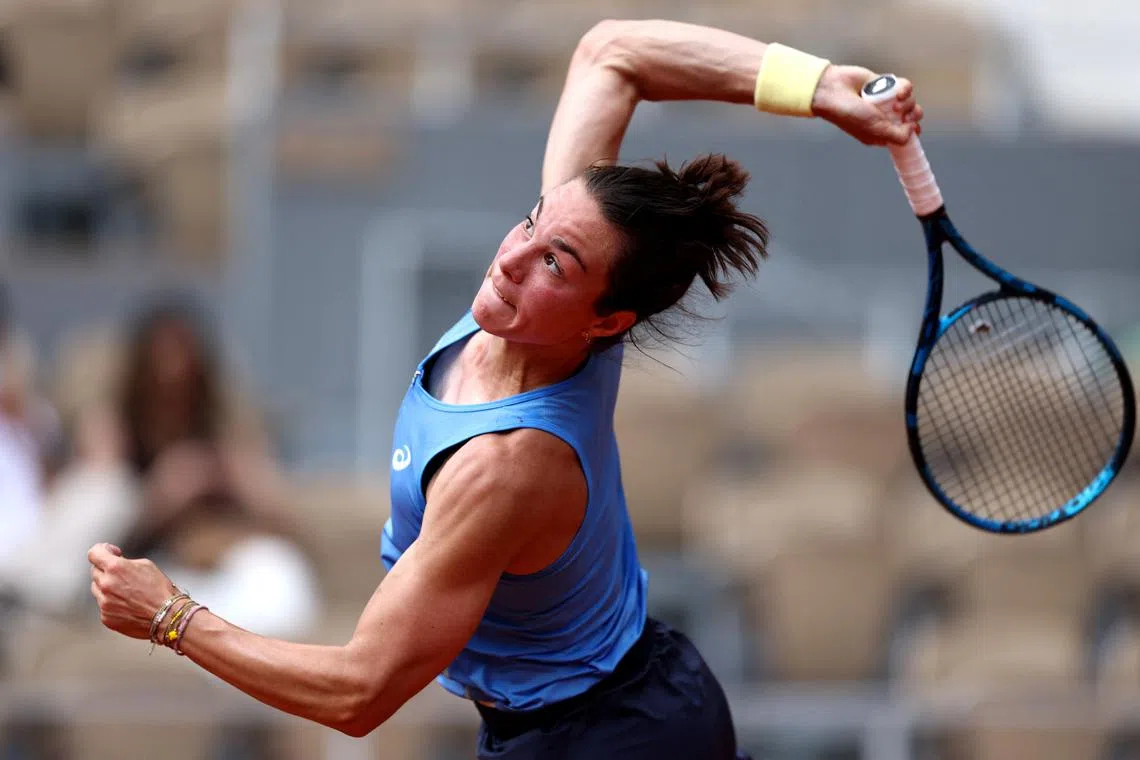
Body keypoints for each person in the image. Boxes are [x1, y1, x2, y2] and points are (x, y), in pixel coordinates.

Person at [87, 19, 923, 759]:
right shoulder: (546, 306)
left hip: (608, 739)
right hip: (628, 700)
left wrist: (171, 617)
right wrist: (815, 85)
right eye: (532, 224)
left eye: (556, 261)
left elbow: (359, 693)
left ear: (605, 321)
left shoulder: (507, 468)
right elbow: (613, 54)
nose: (514, 256)